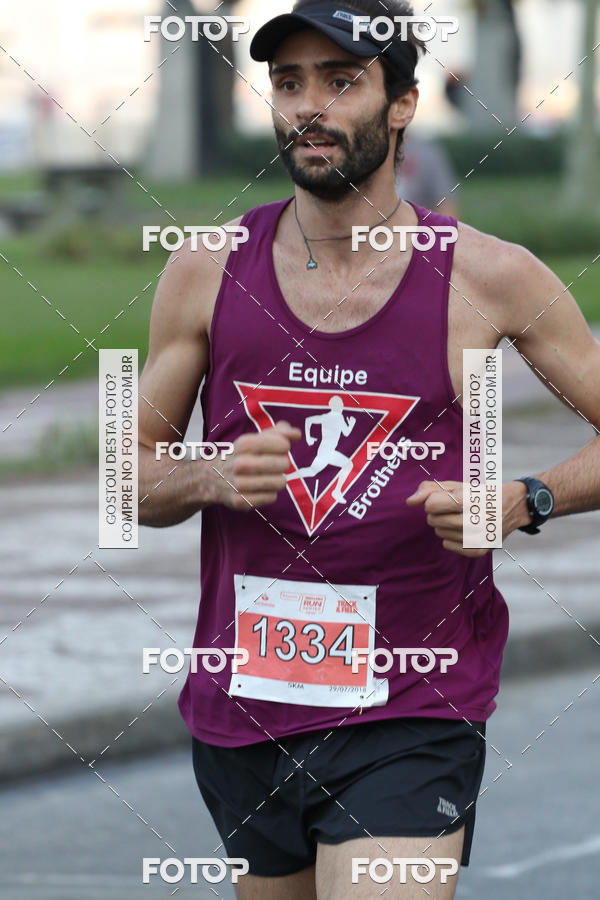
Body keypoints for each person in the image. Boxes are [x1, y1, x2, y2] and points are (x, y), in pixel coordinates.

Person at [137, 1, 600, 897]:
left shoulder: (489, 274)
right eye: (287, 82)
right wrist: (210, 473)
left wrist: (527, 498)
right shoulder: (202, 266)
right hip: (245, 709)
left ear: (402, 106)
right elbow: (126, 477)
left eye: (341, 81)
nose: (308, 105)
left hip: (412, 708)